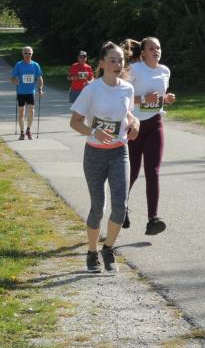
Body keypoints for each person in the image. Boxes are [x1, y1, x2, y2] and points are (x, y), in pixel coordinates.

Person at [69, 41, 140, 273]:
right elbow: (75, 122)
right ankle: (91, 252)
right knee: (98, 206)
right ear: (101, 63)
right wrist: (93, 131)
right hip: (95, 154)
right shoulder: (92, 89)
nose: (118, 64)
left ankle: (108, 248)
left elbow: (127, 113)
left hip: (120, 151)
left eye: (121, 60)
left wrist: (135, 122)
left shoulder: (127, 89)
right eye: (113, 60)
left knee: (121, 206)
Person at [121, 37, 176, 235]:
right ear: (143, 52)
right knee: (133, 172)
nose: (156, 51)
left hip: (155, 124)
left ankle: (153, 218)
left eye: (158, 48)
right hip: (134, 125)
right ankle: (122, 209)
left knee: (153, 171)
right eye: (151, 48)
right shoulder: (135, 69)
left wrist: (166, 99)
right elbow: (123, 96)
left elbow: (160, 96)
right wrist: (144, 99)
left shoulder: (165, 71)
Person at [10, 46, 44, 140]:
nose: (28, 55)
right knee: (21, 113)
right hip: (21, 92)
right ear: (23, 54)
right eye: (26, 53)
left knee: (31, 111)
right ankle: (21, 132)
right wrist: (15, 81)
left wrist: (40, 89)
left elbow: (40, 78)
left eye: (30, 53)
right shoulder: (18, 65)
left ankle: (28, 130)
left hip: (30, 92)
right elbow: (12, 78)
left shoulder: (35, 65)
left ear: (32, 53)